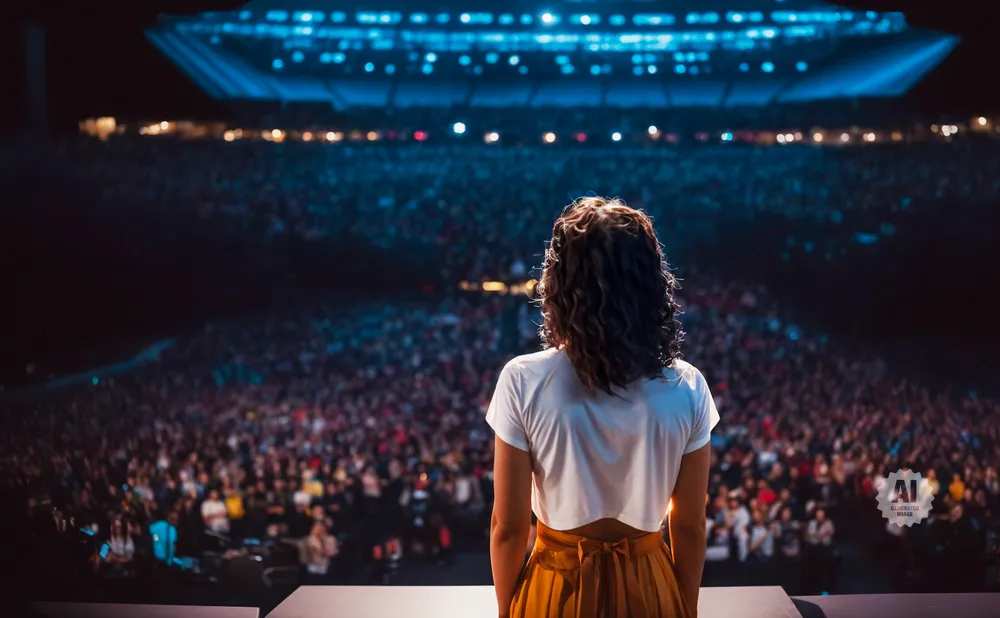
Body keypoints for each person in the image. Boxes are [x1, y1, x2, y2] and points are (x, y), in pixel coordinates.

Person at [489, 197, 718, 618]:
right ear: (651, 283)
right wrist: (684, 609)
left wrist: (508, 612)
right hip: (649, 588)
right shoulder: (688, 386)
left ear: (558, 284)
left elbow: (508, 528)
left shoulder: (523, 379)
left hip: (553, 587)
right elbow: (688, 527)